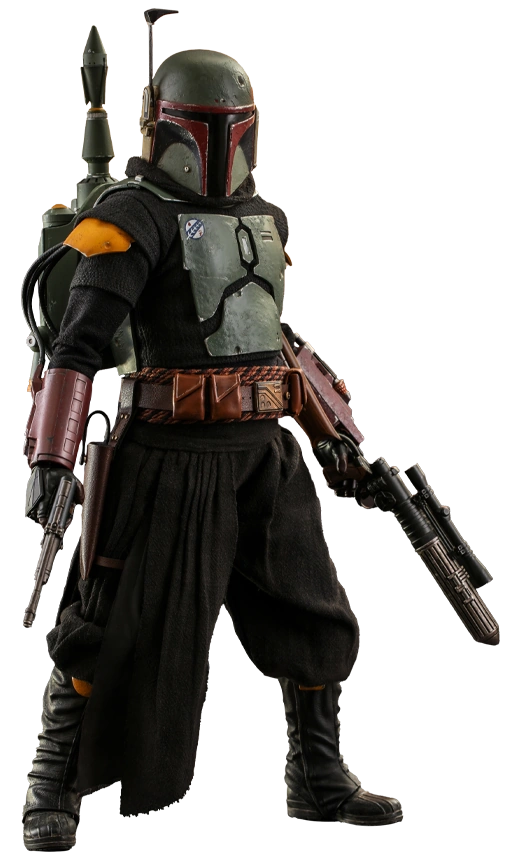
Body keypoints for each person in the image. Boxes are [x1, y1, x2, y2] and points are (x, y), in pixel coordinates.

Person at [21, 48, 403, 852]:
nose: (222, 142)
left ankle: (318, 776)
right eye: (206, 126)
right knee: (108, 618)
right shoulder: (131, 217)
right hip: (166, 457)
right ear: (166, 129)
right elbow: (77, 346)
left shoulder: (262, 215)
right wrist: (51, 459)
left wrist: (339, 435)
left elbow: (274, 340)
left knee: (315, 612)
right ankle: (49, 788)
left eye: (234, 125)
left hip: (268, 454)